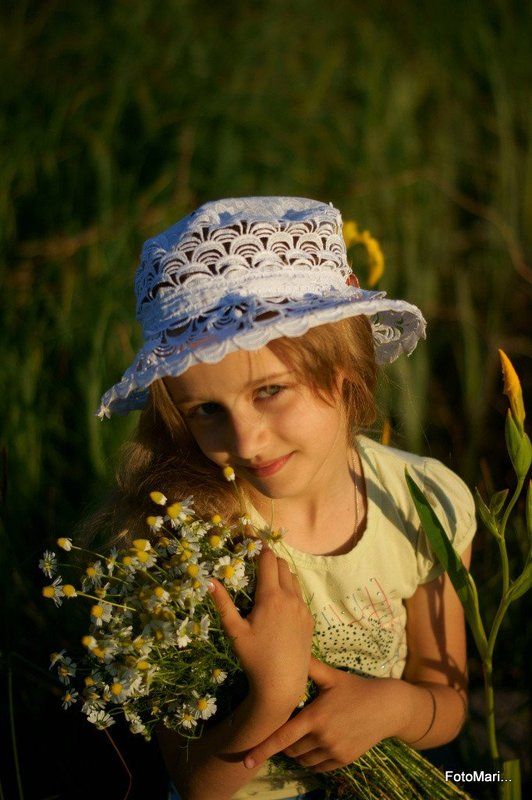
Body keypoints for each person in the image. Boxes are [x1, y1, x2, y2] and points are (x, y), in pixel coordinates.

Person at [93, 196, 476, 800]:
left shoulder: (421, 501)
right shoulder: (179, 542)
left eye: (271, 391)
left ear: (345, 374)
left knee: (477, 779)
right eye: (207, 412)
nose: (245, 441)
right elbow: (197, 785)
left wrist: (394, 709)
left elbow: (448, 702)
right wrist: (271, 693)